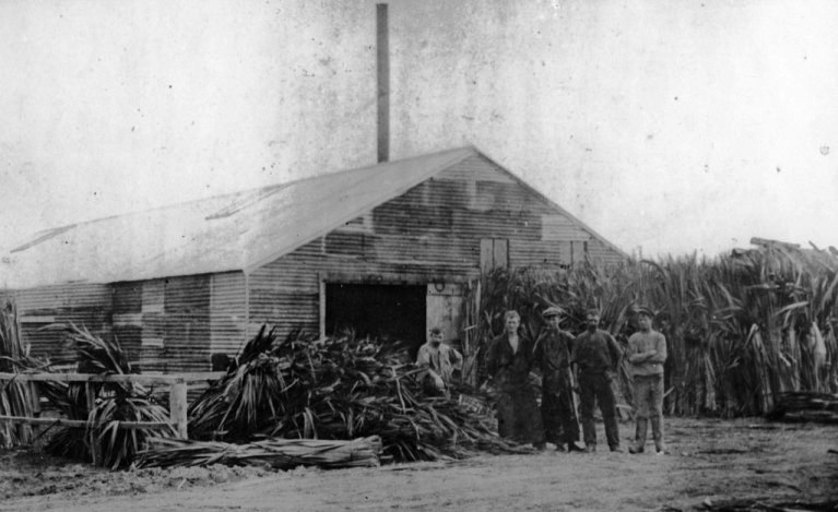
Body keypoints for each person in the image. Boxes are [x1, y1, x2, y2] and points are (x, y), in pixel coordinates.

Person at [486, 310, 544, 447]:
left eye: (514, 322)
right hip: (504, 380)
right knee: (506, 411)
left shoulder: (525, 342)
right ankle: (509, 441)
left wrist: (524, 371)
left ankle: (535, 440)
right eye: (509, 322)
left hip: (521, 379)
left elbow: (530, 360)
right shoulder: (498, 342)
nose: (511, 325)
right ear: (505, 324)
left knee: (529, 408)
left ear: (518, 324)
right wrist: (498, 376)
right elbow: (490, 362)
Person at [533, 306, 584, 452]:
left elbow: (578, 352)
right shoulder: (542, 339)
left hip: (565, 377)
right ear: (546, 321)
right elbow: (535, 358)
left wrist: (575, 373)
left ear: (559, 319)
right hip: (549, 378)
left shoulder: (567, 337)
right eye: (549, 319)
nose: (552, 321)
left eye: (555, 318)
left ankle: (572, 441)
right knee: (552, 410)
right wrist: (542, 374)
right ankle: (558, 442)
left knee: (569, 408)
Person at [571, 309, 622, 453]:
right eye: (590, 320)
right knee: (587, 412)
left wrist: (613, 373)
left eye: (595, 320)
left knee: (609, 411)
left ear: (599, 321)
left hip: (603, 376)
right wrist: (575, 380)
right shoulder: (580, 338)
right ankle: (590, 443)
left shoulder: (606, 336)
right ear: (586, 322)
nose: (592, 323)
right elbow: (574, 361)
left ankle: (614, 444)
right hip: (586, 377)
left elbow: (618, 354)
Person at [626, 307, 667, 454]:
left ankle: (659, 443)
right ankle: (639, 443)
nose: (642, 322)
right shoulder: (634, 338)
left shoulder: (659, 337)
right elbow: (632, 358)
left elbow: (661, 357)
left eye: (645, 318)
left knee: (657, 410)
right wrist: (650, 353)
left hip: (656, 377)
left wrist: (641, 358)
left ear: (651, 319)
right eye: (640, 319)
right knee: (641, 411)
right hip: (640, 379)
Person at [416, 327, 463, 395]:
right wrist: (436, 377)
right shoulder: (425, 349)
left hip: (445, 380)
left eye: (440, 337)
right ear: (431, 336)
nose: (438, 339)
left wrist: (452, 370)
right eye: (435, 337)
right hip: (430, 381)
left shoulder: (446, 349)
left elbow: (458, 358)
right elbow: (424, 367)